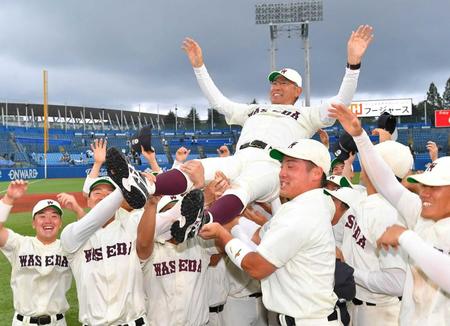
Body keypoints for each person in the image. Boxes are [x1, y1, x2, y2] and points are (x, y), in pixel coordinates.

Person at [106, 25, 374, 244]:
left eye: (284, 83)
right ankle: (147, 186)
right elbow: (219, 102)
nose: (276, 87)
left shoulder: (307, 114)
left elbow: (340, 102)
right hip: (242, 155)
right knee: (196, 167)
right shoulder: (254, 109)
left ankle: (204, 220)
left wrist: (353, 65)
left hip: (272, 164)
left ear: (297, 92)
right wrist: (200, 67)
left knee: (241, 189)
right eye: (274, 83)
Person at [329, 102, 450, 325]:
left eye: (434, 187)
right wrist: (360, 136)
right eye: (423, 185)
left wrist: (406, 237)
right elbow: (389, 184)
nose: (424, 192)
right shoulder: (418, 210)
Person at [199, 139, 340, 325]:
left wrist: (222, 235)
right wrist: (232, 218)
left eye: (291, 166)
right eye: (282, 166)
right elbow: (259, 235)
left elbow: (257, 267)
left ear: (316, 173)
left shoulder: (302, 212)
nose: (282, 173)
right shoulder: (306, 205)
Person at [0, 180, 71, 326]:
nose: (48, 221)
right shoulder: (19, 243)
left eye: (54, 216)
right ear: (33, 223)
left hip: (57, 322)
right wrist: (9, 198)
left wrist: (77, 209)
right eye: (42, 216)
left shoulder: (68, 248)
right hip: (23, 322)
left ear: (61, 223)